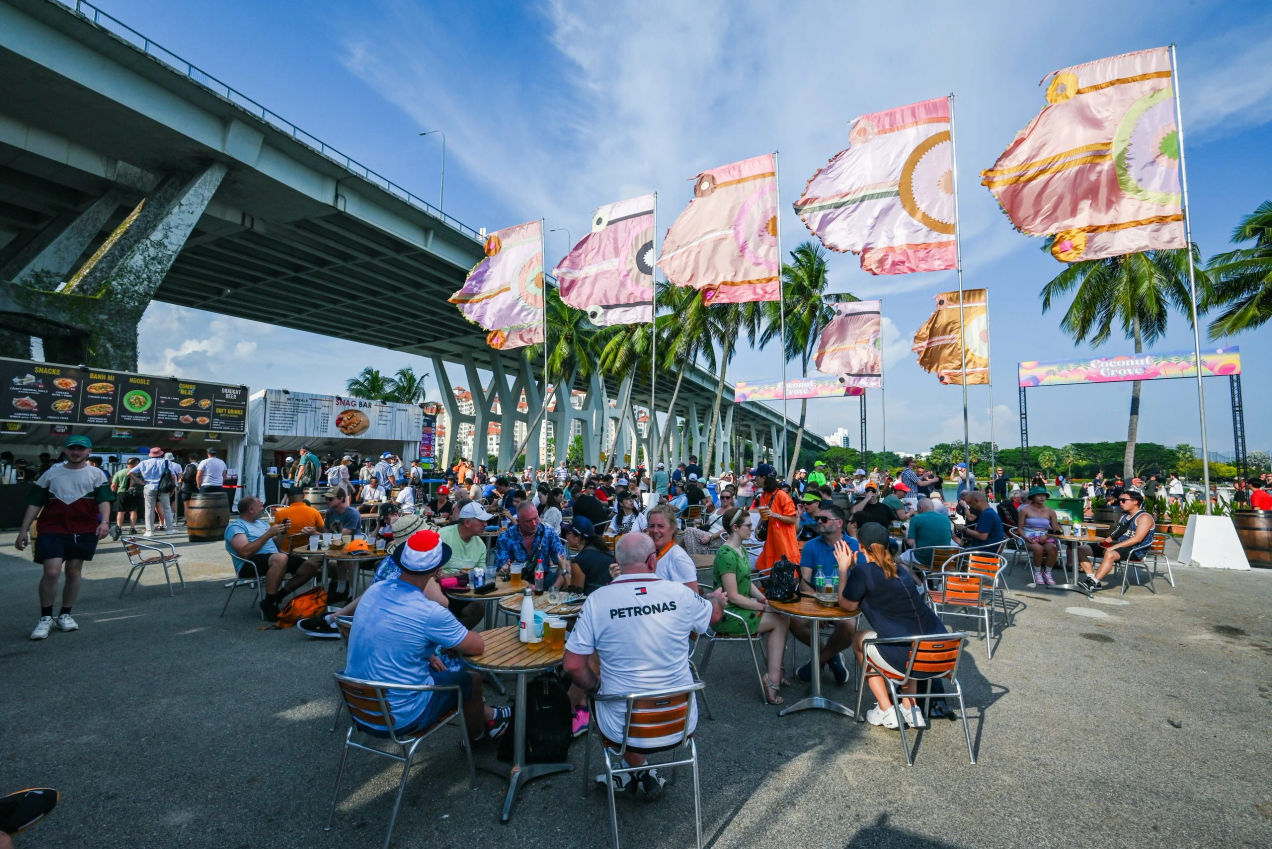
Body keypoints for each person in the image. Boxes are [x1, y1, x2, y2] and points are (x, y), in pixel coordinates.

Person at [563, 533, 726, 799]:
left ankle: (632, 769)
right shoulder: (680, 594)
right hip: (679, 721)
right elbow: (714, 616)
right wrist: (717, 599)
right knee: (631, 694)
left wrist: (595, 686)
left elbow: (572, 665)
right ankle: (639, 770)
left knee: (610, 694)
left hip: (624, 727)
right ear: (653, 561)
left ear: (618, 562)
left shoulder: (598, 600)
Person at [344, 530, 511, 744]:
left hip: (359, 706)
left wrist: (431, 652)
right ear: (437, 570)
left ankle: (491, 715)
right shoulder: (429, 611)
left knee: (436, 666)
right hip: (400, 716)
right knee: (471, 680)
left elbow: (392, 637)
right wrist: (450, 642)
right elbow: (476, 646)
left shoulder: (375, 590)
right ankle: (477, 737)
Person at [836, 540, 948, 729]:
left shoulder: (864, 572)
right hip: (943, 659)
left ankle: (886, 709)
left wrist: (843, 569)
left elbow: (847, 604)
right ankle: (910, 708)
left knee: (859, 639)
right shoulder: (902, 571)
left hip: (911, 659)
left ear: (862, 547)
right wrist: (856, 570)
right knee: (910, 638)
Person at [15, 435, 112, 641]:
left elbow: (104, 500)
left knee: (74, 571)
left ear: (89, 452)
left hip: (84, 529)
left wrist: (104, 522)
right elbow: (35, 503)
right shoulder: (51, 473)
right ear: (65, 450)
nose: (76, 452)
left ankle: (65, 614)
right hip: (52, 528)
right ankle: (45, 617)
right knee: (51, 572)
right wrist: (23, 530)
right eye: (72, 449)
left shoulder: (96, 474)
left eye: (80, 449)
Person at [712, 507, 790, 704]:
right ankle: (773, 678)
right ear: (736, 528)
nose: (752, 528)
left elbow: (747, 583)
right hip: (727, 614)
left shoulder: (741, 549)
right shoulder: (726, 554)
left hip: (737, 609)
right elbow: (734, 596)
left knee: (782, 616)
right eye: (748, 525)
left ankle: (775, 672)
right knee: (780, 621)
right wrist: (763, 607)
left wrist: (764, 600)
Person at [792, 503, 861, 686]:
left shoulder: (853, 546)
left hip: (844, 603)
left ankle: (818, 661)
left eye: (823, 519)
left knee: (848, 626)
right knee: (795, 622)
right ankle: (832, 657)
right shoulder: (811, 546)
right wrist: (820, 607)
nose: (818, 522)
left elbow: (859, 582)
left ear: (839, 523)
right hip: (817, 600)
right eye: (817, 519)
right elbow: (805, 584)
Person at [224, 496, 321, 621]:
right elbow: (244, 552)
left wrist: (282, 533)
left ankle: (276, 597)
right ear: (251, 510)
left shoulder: (261, 523)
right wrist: (269, 533)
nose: (263, 508)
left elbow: (276, 546)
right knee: (280, 558)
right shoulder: (236, 526)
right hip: (249, 564)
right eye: (260, 505)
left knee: (311, 566)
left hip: (274, 558)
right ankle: (270, 605)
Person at [1076, 488, 1156, 592]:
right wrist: (1102, 543)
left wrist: (1113, 547)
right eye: (1120, 500)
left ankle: (1093, 582)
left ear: (1135, 502)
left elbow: (1137, 539)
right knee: (1081, 549)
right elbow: (1114, 535)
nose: (1120, 503)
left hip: (1136, 550)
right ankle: (1093, 579)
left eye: (1123, 500)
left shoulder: (1144, 517)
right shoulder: (1124, 517)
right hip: (1119, 546)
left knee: (1110, 554)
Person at [438, 502, 494, 628]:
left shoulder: (480, 545)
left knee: (478, 608)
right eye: (481, 521)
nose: (486, 524)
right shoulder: (442, 536)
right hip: (440, 590)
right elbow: (428, 572)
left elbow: (482, 574)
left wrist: (471, 575)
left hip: (464, 591)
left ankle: (453, 641)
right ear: (467, 523)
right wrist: (450, 576)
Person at [492, 503, 569, 588]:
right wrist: (504, 569)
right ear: (518, 521)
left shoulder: (548, 533)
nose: (534, 523)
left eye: (536, 518)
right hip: (515, 584)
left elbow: (565, 563)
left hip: (543, 581)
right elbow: (499, 570)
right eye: (528, 521)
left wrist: (553, 590)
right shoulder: (506, 537)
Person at [644, 503, 698, 591]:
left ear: (672, 529)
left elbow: (693, 598)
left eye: (660, 526)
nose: (655, 530)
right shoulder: (652, 553)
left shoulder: (678, 559)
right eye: (651, 526)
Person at [754, 475, 799, 577]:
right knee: (766, 573)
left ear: (764, 478)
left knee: (786, 573)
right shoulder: (763, 496)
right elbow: (764, 515)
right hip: (770, 542)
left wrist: (775, 515)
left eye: (758, 476)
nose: (756, 479)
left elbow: (792, 519)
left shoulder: (782, 495)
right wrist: (758, 528)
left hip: (783, 541)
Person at [1018, 485, 1061, 586]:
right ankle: (1037, 572)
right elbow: (1019, 528)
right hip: (1028, 536)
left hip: (1045, 536)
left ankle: (1047, 572)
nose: (1042, 498)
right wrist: (1026, 537)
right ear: (1032, 497)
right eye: (1039, 495)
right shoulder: (1024, 510)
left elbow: (1056, 529)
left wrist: (1047, 536)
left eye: (1044, 495)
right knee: (1038, 548)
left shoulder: (1050, 511)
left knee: (1053, 548)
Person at [562, 516, 617, 594]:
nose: (566, 536)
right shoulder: (606, 552)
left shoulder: (579, 561)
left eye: (568, 533)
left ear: (577, 538)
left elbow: (573, 596)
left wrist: (564, 569)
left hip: (590, 603)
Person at [134, 446, 178, 536]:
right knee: (167, 508)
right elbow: (173, 477)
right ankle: (170, 529)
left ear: (151, 455)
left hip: (148, 487)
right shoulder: (166, 462)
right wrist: (173, 488)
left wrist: (140, 482)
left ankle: (150, 531)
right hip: (163, 488)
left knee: (149, 509)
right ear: (161, 454)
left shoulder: (143, 463)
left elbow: (130, 473)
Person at [899, 498, 953, 569]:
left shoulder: (916, 519)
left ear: (920, 508)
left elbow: (910, 543)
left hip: (923, 559)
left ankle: (919, 580)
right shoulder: (946, 519)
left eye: (917, 510)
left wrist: (906, 533)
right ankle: (928, 578)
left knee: (898, 561)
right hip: (944, 560)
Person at [110, 457, 141, 536]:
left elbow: (113, 486)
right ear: (135, 464)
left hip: (121, 493)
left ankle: (119, 529)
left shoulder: (119, 473)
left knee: (121, 512)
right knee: (133, 511)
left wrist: (116, 492)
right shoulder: (138, 473)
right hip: (134, 493)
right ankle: (132, 528)